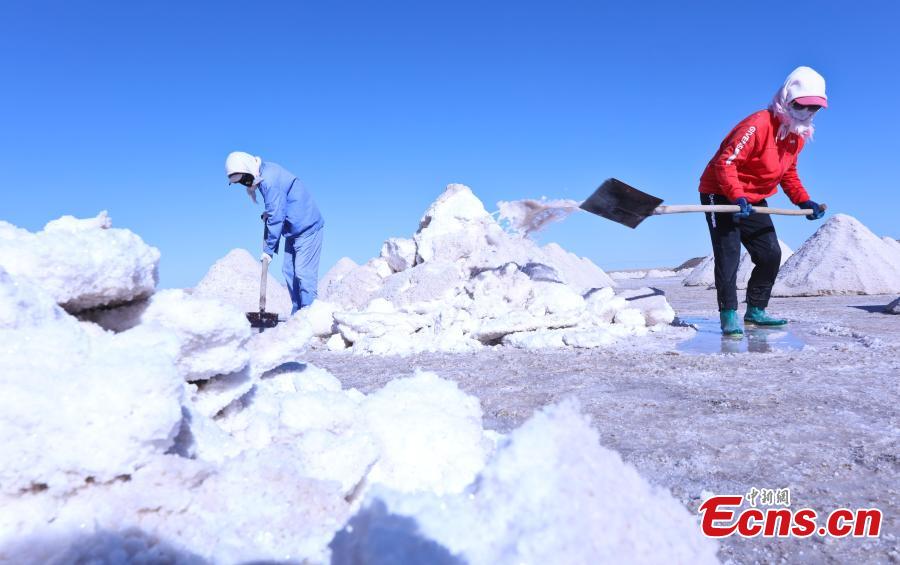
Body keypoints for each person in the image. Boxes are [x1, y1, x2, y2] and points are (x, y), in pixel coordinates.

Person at [698, 66, 827, 336]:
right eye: (802, 106)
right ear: (786, 98)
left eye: (814, 109)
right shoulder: (757, 124)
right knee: (728, 253)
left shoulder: (796, 135)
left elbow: (787, 173)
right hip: (720, 192)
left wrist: (804, 201)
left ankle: (756, 310)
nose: (807, 113)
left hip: (753, 198)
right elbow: (725, 163)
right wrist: (736, 195)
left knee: (770, 253)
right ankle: (728, 314)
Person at [225, 151, 324, 314]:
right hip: (293, 230)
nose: (244, 183)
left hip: (307, 228)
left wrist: (268, 250)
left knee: (303, 273)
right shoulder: (263, 174)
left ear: (249, 169)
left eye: (243, 179)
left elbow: (277, 215)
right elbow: (278, 205)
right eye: (240, 182)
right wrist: (269, 213)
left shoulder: (268, 180)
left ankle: (311, 316)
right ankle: (299, 314)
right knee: (289, 271)